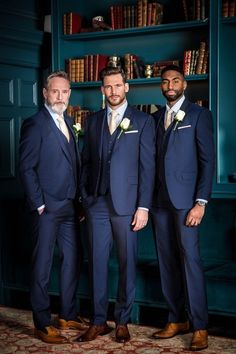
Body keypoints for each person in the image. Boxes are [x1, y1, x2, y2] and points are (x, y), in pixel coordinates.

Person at [77, 66, 156, 343]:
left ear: (127, 87)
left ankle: (122, 320)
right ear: (102, 90)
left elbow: (148, 167)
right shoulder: (94, 121)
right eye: (108, 86)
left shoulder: (143, 121)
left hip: (128, 206)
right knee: (97, 263)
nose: (113, 91)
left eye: (117, 86)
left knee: (126, 263)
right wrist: (85, 198)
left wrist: (143, 206)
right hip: (96, 203)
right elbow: (86, 162)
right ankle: (99, 321)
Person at [19, 70, 87, 344]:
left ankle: (67, 313)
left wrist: (79, 201)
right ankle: (42, 322)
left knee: (72, 260)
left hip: (70, 207)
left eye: (64, 91)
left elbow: (74, 164)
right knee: (43, 265)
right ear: (45, 93)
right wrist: (38, 205)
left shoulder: (69, 122)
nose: (60, 96)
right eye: (55, 91)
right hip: (46, 209)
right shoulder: (35, 124)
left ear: (69, 94)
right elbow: (25, 167)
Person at [151, 65, 215, 351]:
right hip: (159, 203)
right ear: (161, 86)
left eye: (175, 80)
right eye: (165, 81)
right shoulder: (153, 118)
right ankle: (176, 319)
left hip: (187, 203)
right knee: (166, 262)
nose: (170, 85)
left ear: (184, 84)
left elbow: (207, 161)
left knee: (190, 261)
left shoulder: (199, 115)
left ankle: (199, 325)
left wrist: (200, 203)